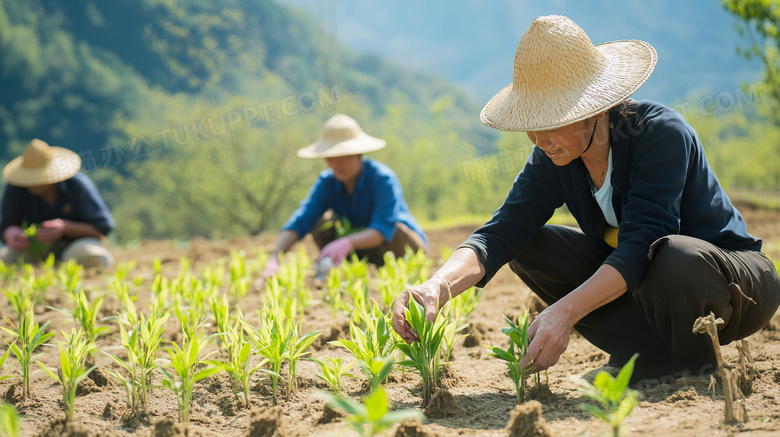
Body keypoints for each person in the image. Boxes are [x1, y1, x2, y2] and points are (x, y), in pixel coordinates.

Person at [392, 15, 780, 384]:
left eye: (554, 121)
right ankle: (646, 357)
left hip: (731, 285)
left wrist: (563, 313)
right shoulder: (554, 158)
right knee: (530, 245)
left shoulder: (659, 135)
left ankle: (695, 364)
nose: (541, 140)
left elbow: (640, 247)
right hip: (651, 289)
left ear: (594, 108)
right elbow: (499, 233)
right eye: (533, 124)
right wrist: (436, 287)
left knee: (672, 256)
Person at [259, 114, 428, 283]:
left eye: (346, 156)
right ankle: (347, 269)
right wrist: (275, 257)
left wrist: (346, 242)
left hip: (398, 246)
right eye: (332, 157)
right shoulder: (327, 183)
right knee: (322, 223)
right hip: (361, 247)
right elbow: (302, 219)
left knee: (395, 230)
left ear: (359, 154)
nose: (339, 163)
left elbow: (382, 228)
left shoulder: (383, 179)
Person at [1, 139, 115, 269]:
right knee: (5, 260)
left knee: (90, 256)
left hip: (77, 244)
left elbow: (101, 228)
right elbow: (6, 226)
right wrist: (10, 233)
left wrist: (65, 227)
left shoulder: (76, 185)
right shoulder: (16, 187)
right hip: (33, 249)